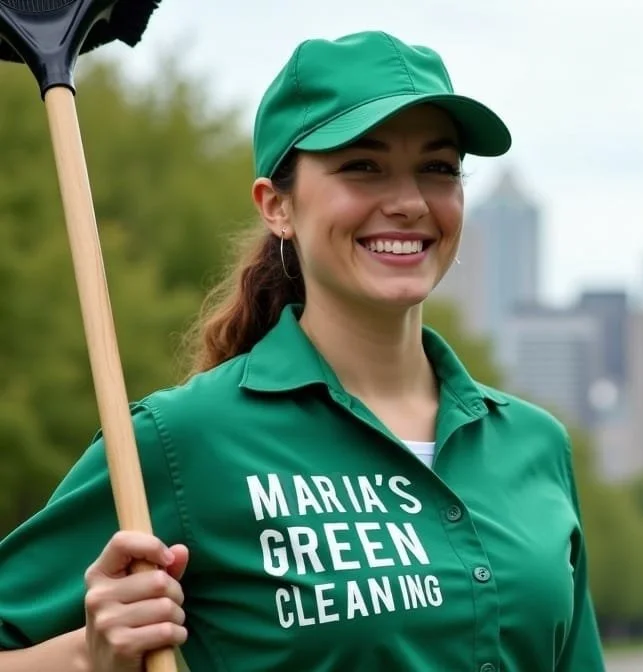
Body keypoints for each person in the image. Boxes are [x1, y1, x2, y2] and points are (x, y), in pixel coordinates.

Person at [0, 30, 605, 672]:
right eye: (362, 167)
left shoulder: (536, 446)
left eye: (438, 167)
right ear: (277, 206)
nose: (408, 203)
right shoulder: (179, 441)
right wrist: (88, 660)